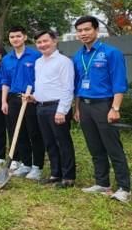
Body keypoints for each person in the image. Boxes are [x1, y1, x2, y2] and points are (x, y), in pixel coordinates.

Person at [73, 16, 130, 202]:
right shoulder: (78, 56)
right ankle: (102, 183)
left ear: (96, 30)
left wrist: (115, 107)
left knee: (113, 147)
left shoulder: (111, 53)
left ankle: (123, 188)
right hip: (85, 106)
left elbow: (119, 83)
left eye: (87, 29)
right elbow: (78, 84)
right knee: (95, 147)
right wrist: (78, 108)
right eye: (80, 31)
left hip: (105, 105)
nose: (83, 34)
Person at [23, 30, 75, 189]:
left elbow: (68, 88)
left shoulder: (63, 61)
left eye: (45, 41)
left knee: (63, 143)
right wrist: (34, 97)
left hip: (57, 107)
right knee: (50, 142)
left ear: (54, 41)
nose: (42, 45)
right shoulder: (39, 62)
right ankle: (55, 173)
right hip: (41, 107)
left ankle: (68, 177)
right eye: (39, 42)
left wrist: (62, 110)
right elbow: (44, 85)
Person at [1, 25, 44, 180]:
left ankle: (37, 166)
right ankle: (25, 163)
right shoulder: (7, 59)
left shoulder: (36, 56)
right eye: (12, 37)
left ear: (25, 37)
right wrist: (4, 101)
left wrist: (35, 95)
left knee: (34, 132)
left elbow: (42, 79)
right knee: (19, 132)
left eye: (18, 36)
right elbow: (5, 81)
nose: (15, 39)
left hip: (31, 99)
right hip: (13, 99)